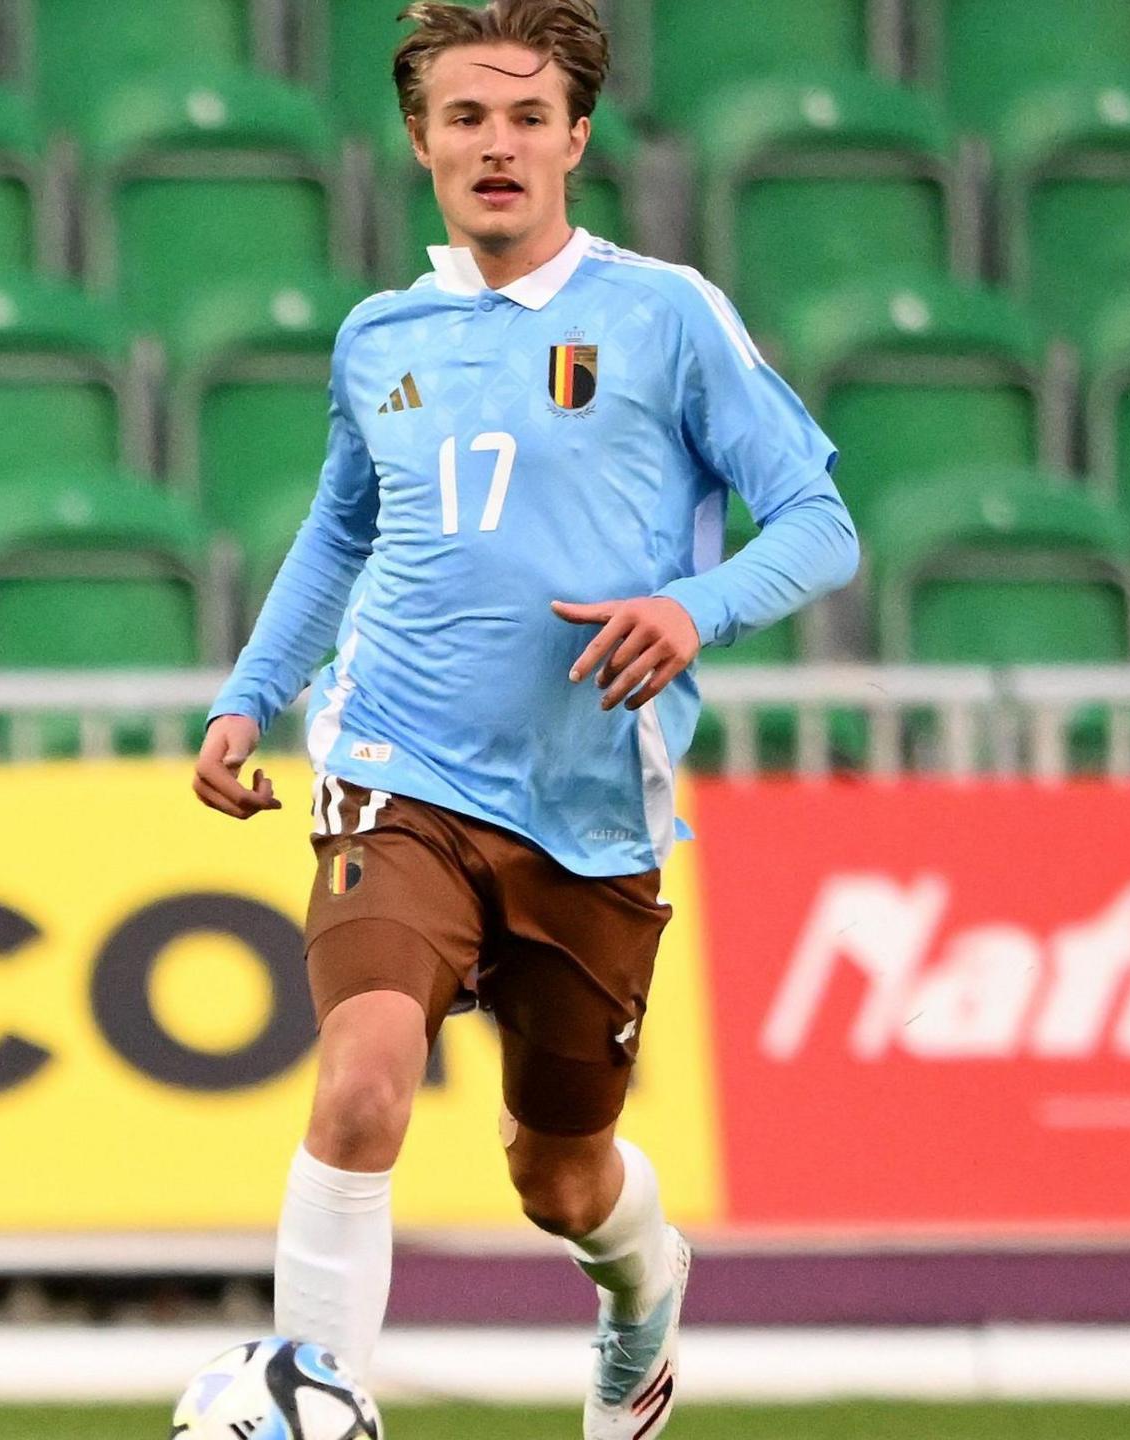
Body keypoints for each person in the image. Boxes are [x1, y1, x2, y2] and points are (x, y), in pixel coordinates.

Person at [191, 3, 859, 1435]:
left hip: (591, 809)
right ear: (421, 142)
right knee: (363, 1077)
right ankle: (314, 1398)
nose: (497, 144)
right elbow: (337, 533)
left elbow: (818, 519)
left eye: (525, 117)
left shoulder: (665, 315)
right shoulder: (381, 337)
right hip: (396, 771)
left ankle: (643, 1300)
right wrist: (253, 694)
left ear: (576, 137)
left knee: (558, 1177)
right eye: (466, 119)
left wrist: (694, 610)